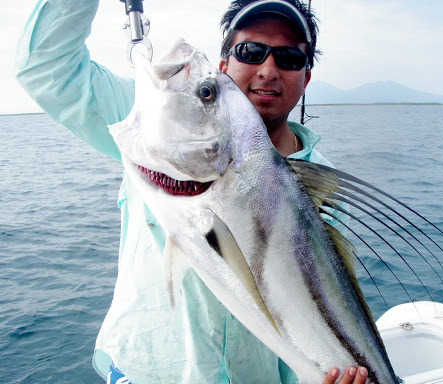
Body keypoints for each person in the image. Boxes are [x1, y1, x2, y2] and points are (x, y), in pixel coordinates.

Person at [16, 0, 372, 383]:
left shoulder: (322, 178)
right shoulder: (153, 123)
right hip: (144, 373)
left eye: (288, 58)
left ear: (306, 76)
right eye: (250, 52)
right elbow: (45, 68)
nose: (268, 70)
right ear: (224, 66)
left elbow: (307, 308)